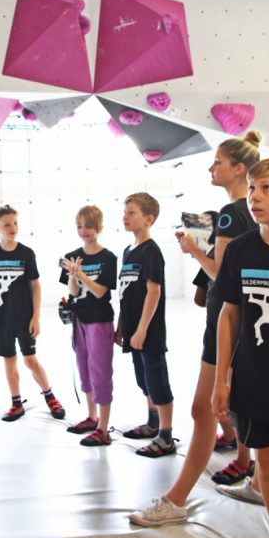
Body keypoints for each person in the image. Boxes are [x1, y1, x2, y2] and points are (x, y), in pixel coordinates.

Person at [129, 132, 261, 526]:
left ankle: (176, 500)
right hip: (240, 323)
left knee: (202, 410)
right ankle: (255, 482)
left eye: (218, 161)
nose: (210, 167)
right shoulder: (247, 216)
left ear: (239, 168)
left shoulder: (229, 214)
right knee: (246, 410)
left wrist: (193, 251)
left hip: (227, 322)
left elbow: (223, 275)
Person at [212, 157, 269, 538]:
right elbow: (229, 315)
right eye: (253, 188)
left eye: (268, 188)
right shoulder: (239, 249)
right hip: (257, 379)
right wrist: (223, 377)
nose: (255, 196)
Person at [0, 205, 65, 422]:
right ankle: (16, 403)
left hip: (24, 318)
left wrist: (36, 316)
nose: (13, 228)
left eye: (15, 223)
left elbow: (35, 286)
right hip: (1, 321)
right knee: (9, 360)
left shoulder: (26, 253)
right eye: (6, 224)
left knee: (30, 360)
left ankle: (50, 396)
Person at [116, 193, 175, 457]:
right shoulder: (128, 252)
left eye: (132, 212)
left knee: (157, 380)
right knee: (144, 380)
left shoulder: (151, 251)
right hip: (131, 329)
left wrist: (141, 330)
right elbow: (125, 291)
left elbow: (154, 292)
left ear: (149, 219)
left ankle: (166, 435)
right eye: (125, 212)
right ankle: (152, 423)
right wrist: (122, 326)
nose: (125, 217)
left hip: (148, 331)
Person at [60, 205, 117, 446]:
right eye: (80, 226)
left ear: (99, 228)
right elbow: (73, 292)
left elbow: (100, 291)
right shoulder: (71, 255)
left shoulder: (108, 258)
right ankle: (91, 417)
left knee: (100, 370)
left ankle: (103, 428)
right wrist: (73, 275)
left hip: (100, 320)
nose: (84, 231)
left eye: (89, 226)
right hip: (79, 319)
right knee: (83, 367)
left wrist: (81, 274)